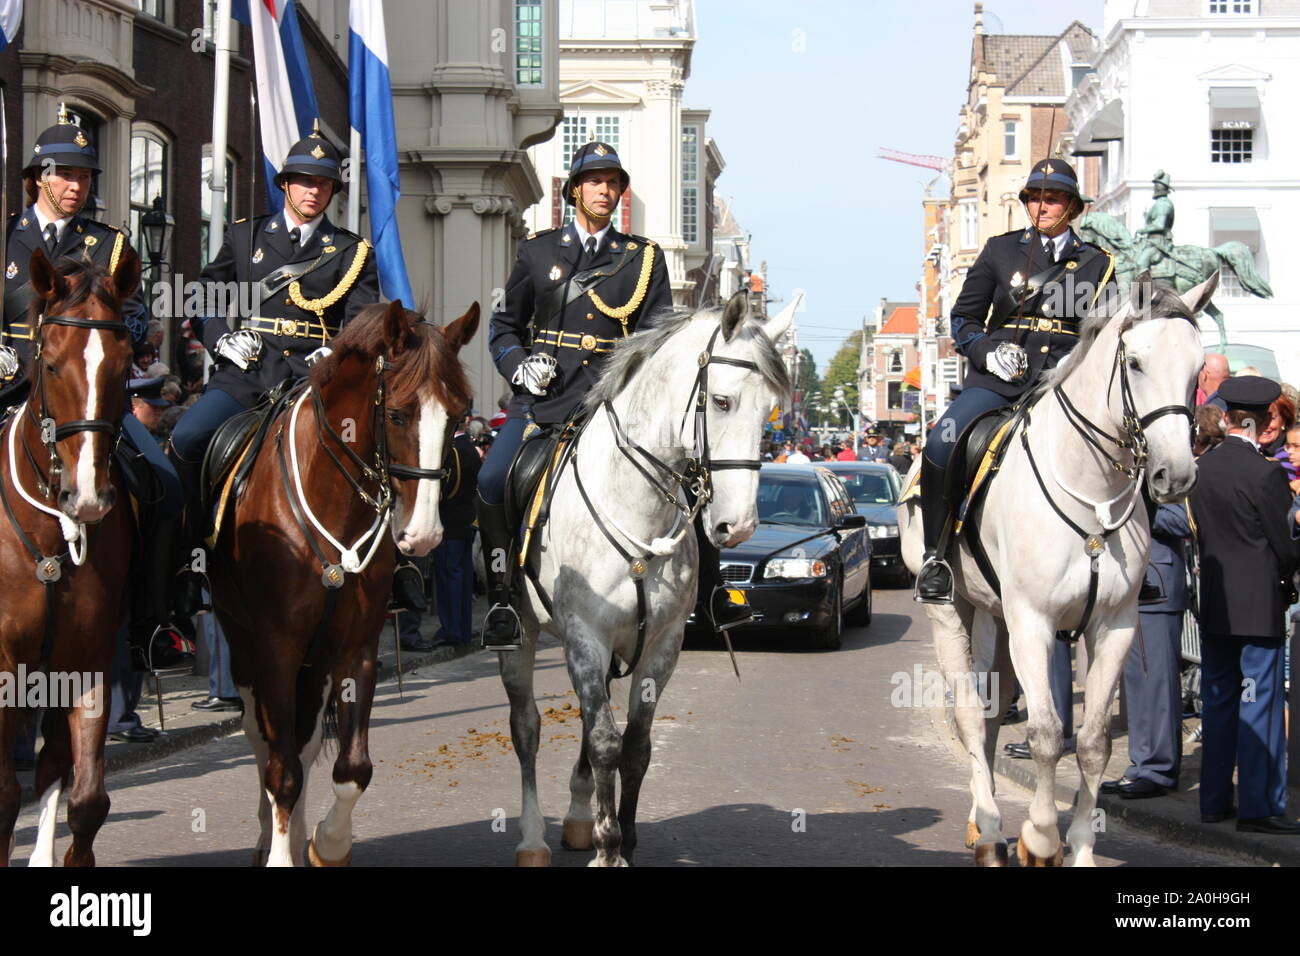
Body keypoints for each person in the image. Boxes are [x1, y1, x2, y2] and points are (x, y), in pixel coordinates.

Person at [168, 123, 389, 612]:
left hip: (312, 384)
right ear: (285, 184)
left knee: (377, 446)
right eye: (305, 181)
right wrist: (221, 339)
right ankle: (186, 556)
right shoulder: (246, 237)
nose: (314, 191)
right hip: (247, 374)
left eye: (324, 183)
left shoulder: (353, 252)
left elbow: (363, 321)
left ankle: (392, 568)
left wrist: (335, 356)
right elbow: (204, 294)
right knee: (185, 440)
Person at [2, 115, 188, 669]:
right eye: (65, 175)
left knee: (165, 484)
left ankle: (152, 622)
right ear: (39, 178)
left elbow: (135, 322)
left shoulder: (110, 248)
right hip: (10, 394)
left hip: (87, 405)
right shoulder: (6, 238)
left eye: (85, 175)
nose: (76, 186)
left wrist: (124, 347)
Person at [476, 140, 676, 650]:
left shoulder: (643, 259)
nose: (605, 191)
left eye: (613, 183)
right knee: (492, 478)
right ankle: (503, 598)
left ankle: (713, 592)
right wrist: (521, 368)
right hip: (542, 400)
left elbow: (660, 343)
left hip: (611, 404)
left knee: (691, 477)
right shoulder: (538, 251)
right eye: (595, 182)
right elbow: (504, 327)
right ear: (574, 191)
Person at [915, 158, 1117, 604]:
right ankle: (938, 556)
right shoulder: (999, 251)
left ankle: (1136, 563)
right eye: (1035, 198)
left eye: (1053, 198)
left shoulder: (1098, 265)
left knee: (1133, 446)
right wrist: (987, 352)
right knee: (941, 444)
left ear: (1072, 207)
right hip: (997, 381)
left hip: (1063, 382)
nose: (1042, 207)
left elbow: (1107, 333)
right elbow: (964, 318)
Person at [1193, 376, 1300, 834]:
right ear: (1256, 421)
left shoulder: (1203, 467)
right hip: (1258, 606)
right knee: (1259, 705)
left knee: (1218, 701)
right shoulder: (1267, 473)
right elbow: (1287, 544)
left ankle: (1214, 800)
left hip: (1216, 603)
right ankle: (1259, 807)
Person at [1101, 502, 1193, 798]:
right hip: (1127, 584)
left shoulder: (1166, 471)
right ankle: (1141, 764)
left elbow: (1185, 521)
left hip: (1159, 581)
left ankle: (1160, 769)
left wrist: (1137, 508)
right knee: (1137, 683)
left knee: (1159, 682)